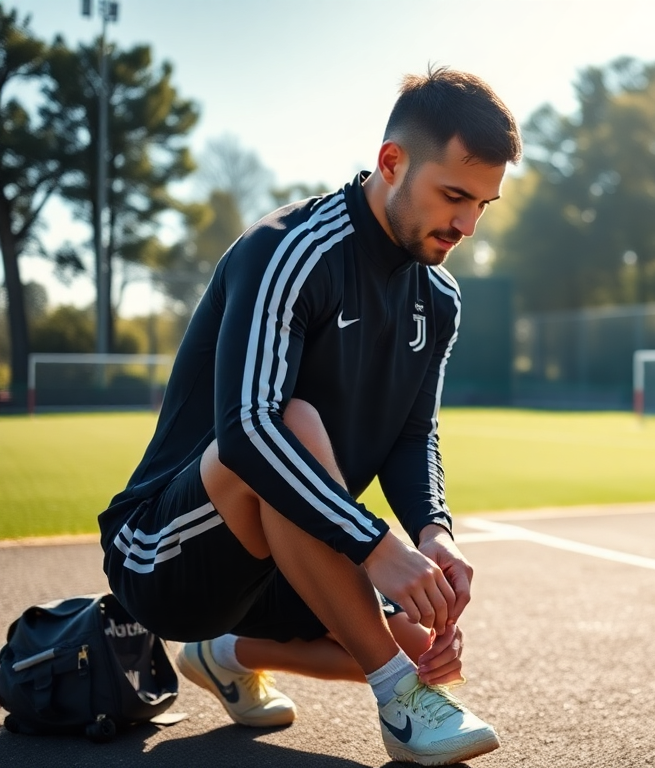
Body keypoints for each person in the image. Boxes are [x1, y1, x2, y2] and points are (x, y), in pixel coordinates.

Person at [96, 68, 521, 765]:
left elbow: (415, 434)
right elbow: (248, 432)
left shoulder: (438, 298)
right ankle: (397, 700)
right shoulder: (288, 250)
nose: (468, 225)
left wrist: (433, 533)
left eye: (483, 204)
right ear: (391, 163)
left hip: (286, 552)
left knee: (421, 647)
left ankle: (225, 654)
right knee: (291, 423)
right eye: (454, 195)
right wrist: (376, 545)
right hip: (164, 553)